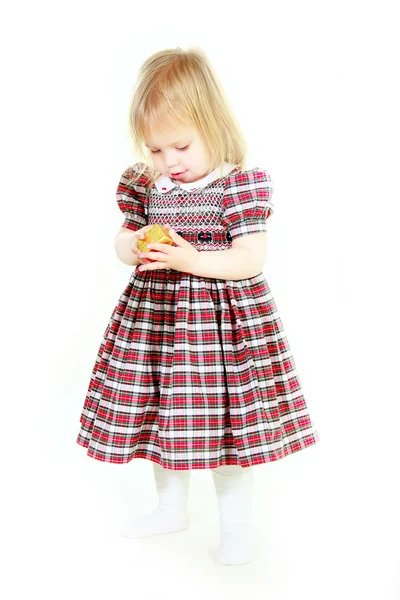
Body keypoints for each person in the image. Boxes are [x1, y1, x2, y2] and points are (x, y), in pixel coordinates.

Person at [75, 46, 320, 566]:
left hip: (220, 330)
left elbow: (249, 259)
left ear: (213, 124)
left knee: (224, 426)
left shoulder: (237, 184)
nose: (170, 162)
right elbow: (120, 245)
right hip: (158, 324)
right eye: (156, 149)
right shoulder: (146, 185)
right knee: (168, 415)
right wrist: (137, 243)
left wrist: (192, 257)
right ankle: (170, 508)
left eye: (181, 146)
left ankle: (237, 525)